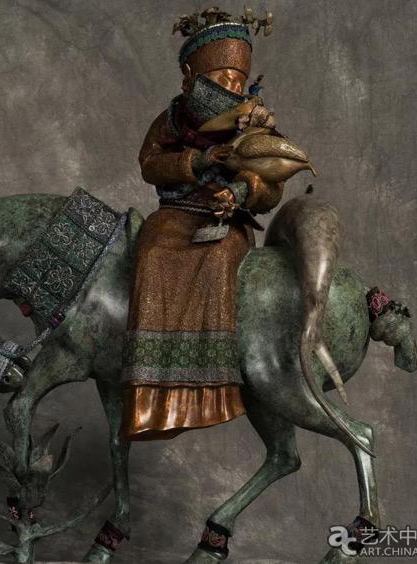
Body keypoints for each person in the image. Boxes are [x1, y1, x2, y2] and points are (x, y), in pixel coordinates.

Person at [120, 7, 284, 440]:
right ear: (191, 78)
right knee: (152, 254)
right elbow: (150, 164)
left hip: (223, 218)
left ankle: (209, 393)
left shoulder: (254, 123)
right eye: (221, 80)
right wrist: (198, 159)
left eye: (237, 81)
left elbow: (273, 183)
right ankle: (152, 398)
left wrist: (242, 191)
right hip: (176, 213)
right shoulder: (173, 119)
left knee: (217, 260)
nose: (231, 88)